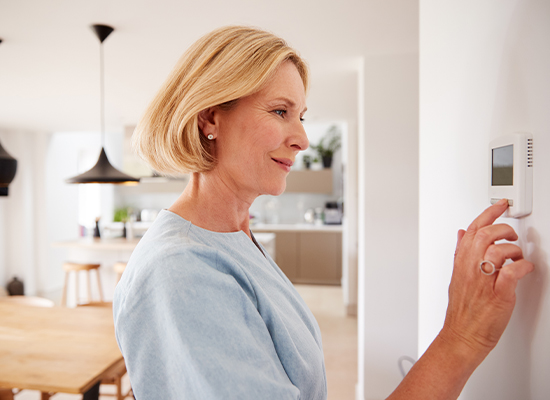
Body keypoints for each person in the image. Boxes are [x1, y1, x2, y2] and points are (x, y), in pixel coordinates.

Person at [113, 26, 534, 400]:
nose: (302, 138)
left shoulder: (233, 237)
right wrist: (461, 338)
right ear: (211, 118)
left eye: (301, 116)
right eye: (280, 111)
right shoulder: (183, 270)